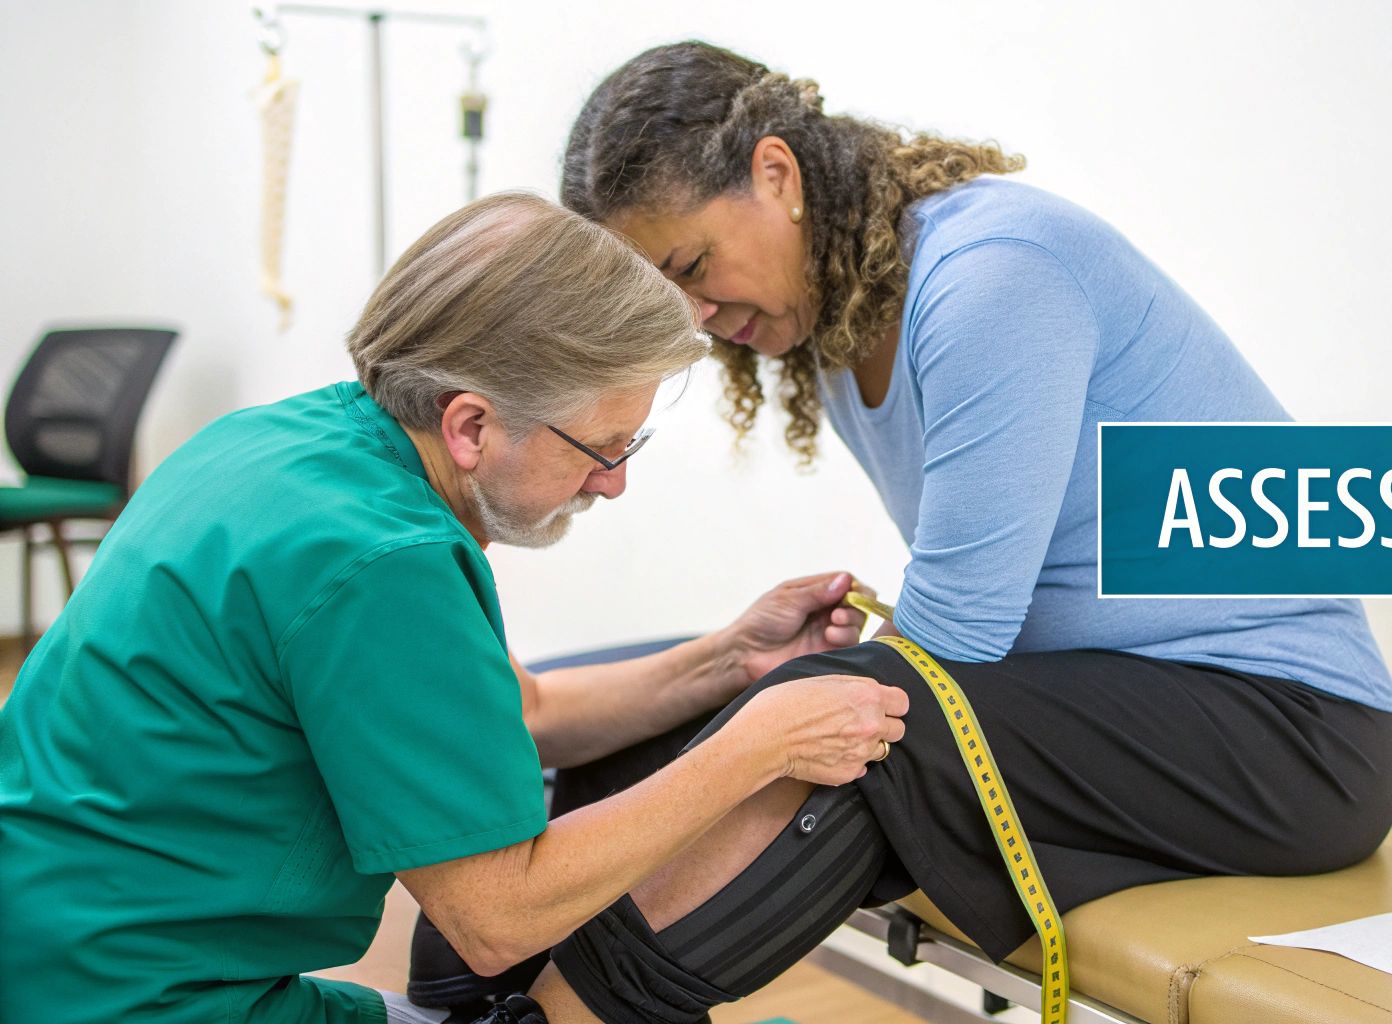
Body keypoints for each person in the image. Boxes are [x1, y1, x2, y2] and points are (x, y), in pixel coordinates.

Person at [403, 41, 1392, 1024]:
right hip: (1111, 713)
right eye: (671, 296)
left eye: (695, 265)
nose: (699, 315)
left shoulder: (991, 274)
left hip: (1289, 738)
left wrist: (771, 717)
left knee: (841, 718)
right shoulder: (845, 322)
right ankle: (456, 1001)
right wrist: (735, 681)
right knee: (678, 694)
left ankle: (554, 1017)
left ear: (776, 173)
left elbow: (956, 639)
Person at [0, 191, 907, 1024]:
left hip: (61, 952)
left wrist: (730, 662)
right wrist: (763, 744)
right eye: (601, 446)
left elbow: (523, 713)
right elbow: (498, 917)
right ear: (471, 425)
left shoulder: (281, 446)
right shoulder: (382, 561)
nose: (615, 481)